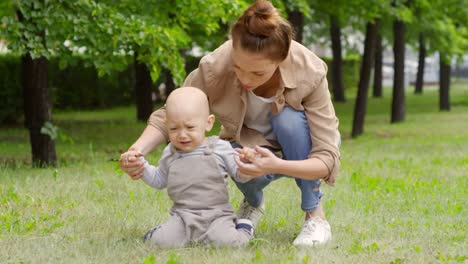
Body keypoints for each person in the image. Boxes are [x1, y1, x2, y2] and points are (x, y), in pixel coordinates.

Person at [120, 0, 340, 247]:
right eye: (238, 68)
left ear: (281, 58)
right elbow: (170, 112)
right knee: (227, 154)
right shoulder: (215, 65)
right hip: (249, 145)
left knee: (288, 121)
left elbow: (325, 158)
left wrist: (277, 165)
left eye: (257, 73)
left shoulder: (310, 71)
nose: (245, 78)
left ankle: (315, 216)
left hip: (300, 144)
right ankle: (253, 203)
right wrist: (136, 151)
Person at [135, 87, 254, 248]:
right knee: (161, 242)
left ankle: (244, 227)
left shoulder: (220, 147)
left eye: (190, 127)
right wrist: (141, 165)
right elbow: (159, 180)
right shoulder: (170, 153)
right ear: (166, 125)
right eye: (174, 128)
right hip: (182, 216)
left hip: (217, 215)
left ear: (208, 123)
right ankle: (160, 232)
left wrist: (247, 164)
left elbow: (241, 176)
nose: (182, 134)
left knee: (228, 243)